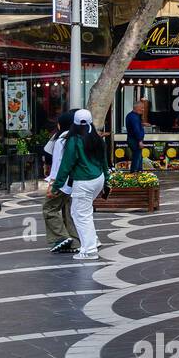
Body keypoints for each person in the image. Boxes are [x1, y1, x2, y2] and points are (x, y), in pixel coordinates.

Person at [53, 109, 108, 260]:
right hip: (98, 179)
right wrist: (107, 181)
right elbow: (104, 162)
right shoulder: (97, 138)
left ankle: (89, 249)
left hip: (83, 181)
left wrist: (56, 185)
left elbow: (66, 165)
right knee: (84, 213)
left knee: (80, 215)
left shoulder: (74, 140)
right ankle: (92, 241)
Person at [42, 111, 80, 255]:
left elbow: (58, 164)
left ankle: (61, 237)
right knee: (69, 211)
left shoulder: (62, 140)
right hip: (77, 181)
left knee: (49, 208)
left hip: (63, 182)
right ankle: (75, 241)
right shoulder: (80, 137)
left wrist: (53, 184)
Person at [125, 98, 147, 173]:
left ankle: (139, 172)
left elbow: (135, 126)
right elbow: (136, 130)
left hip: (133, 139)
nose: (143, 109)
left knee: (139, 157)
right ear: (136, 107)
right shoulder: (134, 117)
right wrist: (140, 141)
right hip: (135, 140)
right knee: (137, 157)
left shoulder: (131, 115)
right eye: (142, 108)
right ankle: (134, 173)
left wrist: (142, 124)